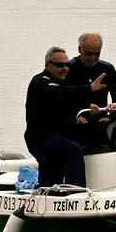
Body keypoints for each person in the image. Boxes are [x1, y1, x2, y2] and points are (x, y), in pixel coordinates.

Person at [24, 46, 88, 187]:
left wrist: (76, 118)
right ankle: (77, 193)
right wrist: (88, 88)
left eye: (67, 65)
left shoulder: (62, 85)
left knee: (52, 176)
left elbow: (62, 107)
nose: (64, 68)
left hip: (57, 138)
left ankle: (48, 196)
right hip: (41, 138)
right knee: (74, 151)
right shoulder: (40, 82)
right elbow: (54, 93)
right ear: (47, 65)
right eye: (59, 65)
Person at [67, 31, 116, 149]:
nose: (92, 58)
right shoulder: (68, 68)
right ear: (79, 49)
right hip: (75, 125)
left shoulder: (107, 68)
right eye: (88, 54)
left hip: (102, 124)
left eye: (97, 54)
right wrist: (73, 117)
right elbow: (60, 97)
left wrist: (111, 117)